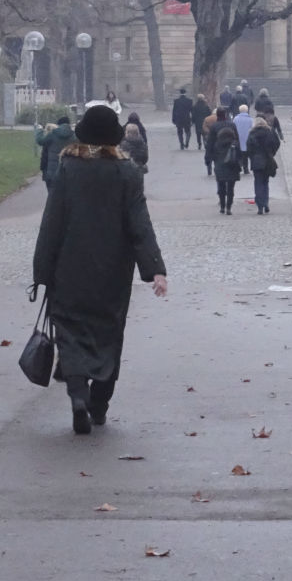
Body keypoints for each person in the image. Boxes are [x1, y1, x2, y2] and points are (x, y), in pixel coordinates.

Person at [33, 105, 167, 434]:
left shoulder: (69, 168)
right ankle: (100, 403)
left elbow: (52, 222)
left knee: (71, 332)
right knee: (108, 335)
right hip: (112, 272)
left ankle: (78, 395)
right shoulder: (128, 174)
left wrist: (42, 271)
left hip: (70, 267)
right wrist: (156, 269)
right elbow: (140, 225)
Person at [205, 111, 241, 214]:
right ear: (225, 115)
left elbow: (210, 143)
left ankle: (222, 205)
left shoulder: (214, 127)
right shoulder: (232, 125)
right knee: (231, 186)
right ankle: (229, 207)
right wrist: (240, 158)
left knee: (221, 184)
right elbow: (237, 141)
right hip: (232, 160)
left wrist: (208, 158)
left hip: (219, 158)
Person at [247, 116, 280, 214]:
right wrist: (272, 153)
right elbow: (277, 143)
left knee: (258, 183)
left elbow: (248, 147)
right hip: (267, 159)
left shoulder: (252, 133)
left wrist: (252, 156)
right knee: (265, 182)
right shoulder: (270, 132)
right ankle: (266, 203)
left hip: (256, 160)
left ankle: (260, 206)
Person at [35, 115, 75, 191]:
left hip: (53, 172)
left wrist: (39, 130)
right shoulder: (74, 136)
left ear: (58, 125)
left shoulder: (53, 134)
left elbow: (40, 141)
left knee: (52, 196)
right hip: (69, 172)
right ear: (69, 124)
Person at [232, 104, 253, 174]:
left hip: (238, 139)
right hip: (247, 139)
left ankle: (238, 168)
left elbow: (233, 128)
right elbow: (252, 129)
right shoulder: (250, 119)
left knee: (238, 155)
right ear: (246, 110)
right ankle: (246, 169)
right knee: (246, 155)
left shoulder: (235, 119)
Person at [38, 121, 56, 187]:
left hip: (47, 170)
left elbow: (44, 159)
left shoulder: (45, 142)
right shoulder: (57, 141)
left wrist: (42, 168)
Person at [202, 105, 218, 174]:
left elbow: (204, 127)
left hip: (209, 138)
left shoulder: (207, 118)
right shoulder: (220, 119)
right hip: (218, 138)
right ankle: (216, 168)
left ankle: (209, 169)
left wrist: (209, 132)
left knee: (209, 153)